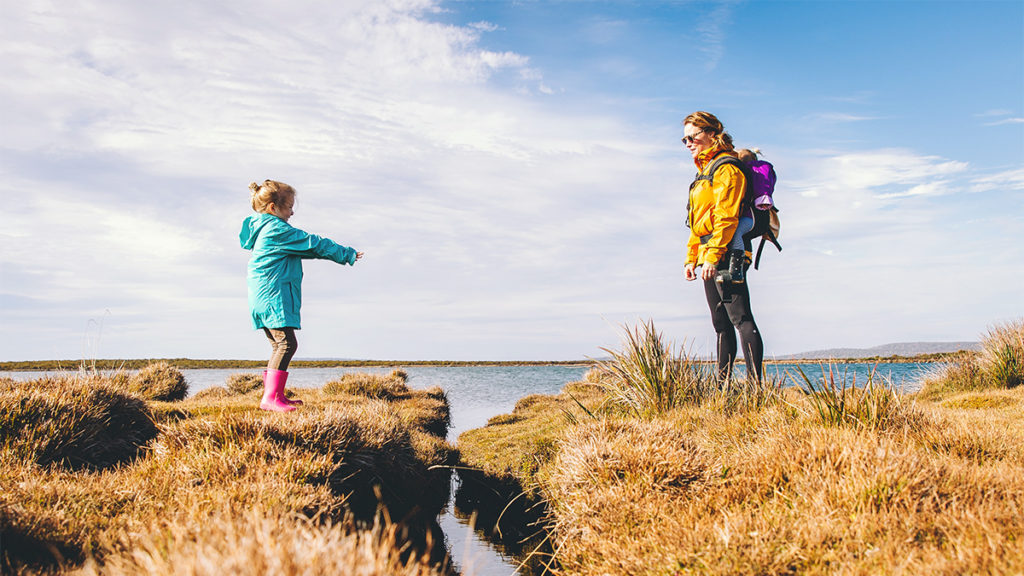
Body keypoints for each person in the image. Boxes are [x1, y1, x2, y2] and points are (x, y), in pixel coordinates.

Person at [240, 180, 363, 412]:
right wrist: (346, 253)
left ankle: (275, 395)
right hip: (273, 295)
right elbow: (312, 244)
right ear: (273, 208)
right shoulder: (277, 230)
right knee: (286, 344)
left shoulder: (264, 229)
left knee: (279, 345)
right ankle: (270, 398)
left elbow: (307, 249)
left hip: (263, 296)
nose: (292, 212)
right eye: (288, 207)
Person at [682, 112, 764, 382]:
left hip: (729, 251)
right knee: (720, 324)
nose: (688, 143)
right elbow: (698, 223)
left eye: (692, 136)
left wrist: (713, 257)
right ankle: (722, 387)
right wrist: (691, 258)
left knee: (740, 318)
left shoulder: (726, 168)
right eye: (684, 139)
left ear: (711, 133)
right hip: (709, 254)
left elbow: (726, 217)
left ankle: (755, 389)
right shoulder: (703, 171)